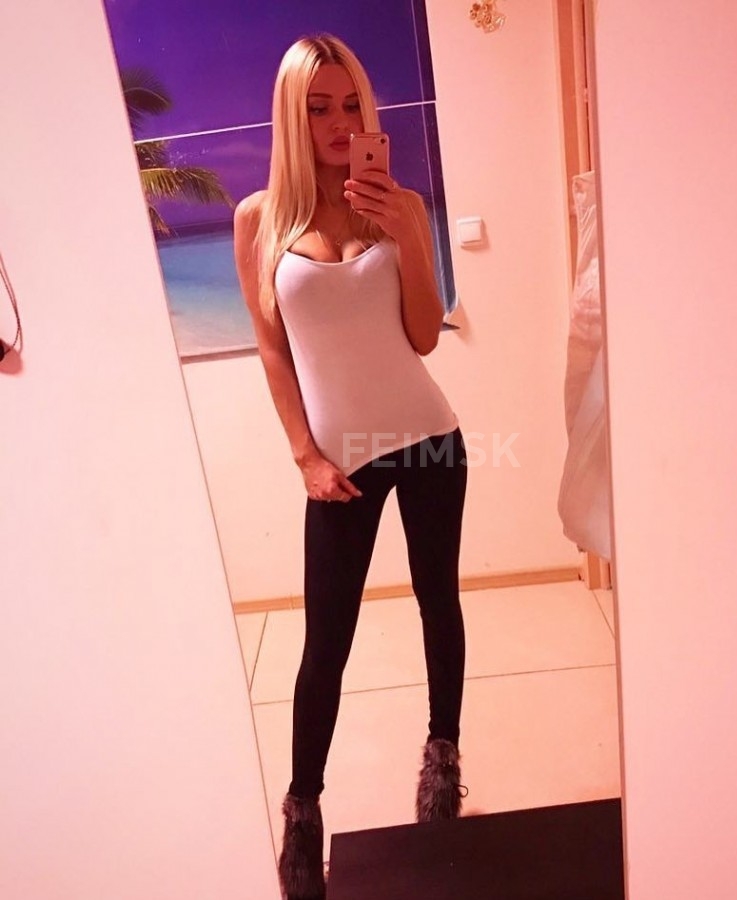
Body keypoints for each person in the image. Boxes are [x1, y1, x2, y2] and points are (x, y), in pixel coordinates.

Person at [233, 34, 468, 900]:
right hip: (337, 462)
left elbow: (422, 337)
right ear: (291, 118)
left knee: (437, 600)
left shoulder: (399, 205)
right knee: (325, 641)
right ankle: (302, 812)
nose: (339, 123)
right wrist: (303, 453)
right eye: (318, 108)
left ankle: (442, 761)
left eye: (350, 105)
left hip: (430, 438)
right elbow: (272, 350)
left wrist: (408, 232)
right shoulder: (258, 219)